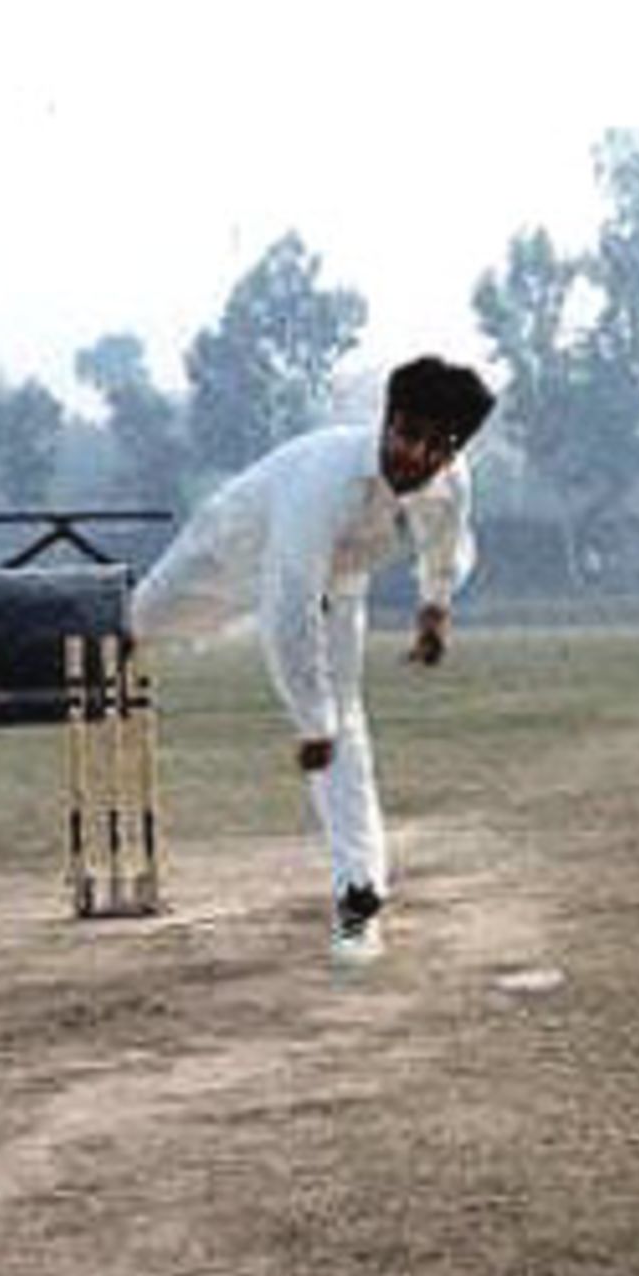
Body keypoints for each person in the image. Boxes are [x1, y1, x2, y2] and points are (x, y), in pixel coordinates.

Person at [131, 356, 496, 960]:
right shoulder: (324, 481)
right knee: (143, 621)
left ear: (453, 451)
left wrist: (434, 610)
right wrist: (310, 718)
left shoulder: (452, 479)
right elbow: (287, 606)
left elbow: (446, 544)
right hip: (233, 550)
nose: (415, 457)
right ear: (386, 421)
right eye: (407, 434)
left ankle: (359, 894)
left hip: (342, 581)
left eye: (436, 446)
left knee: (346, 723)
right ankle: (119, 637)